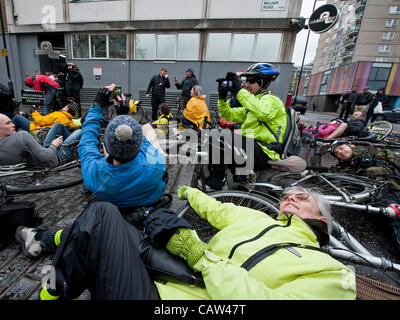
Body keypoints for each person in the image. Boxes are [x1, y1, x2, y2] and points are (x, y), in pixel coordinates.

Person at [15, 185, 356, 300]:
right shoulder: (260, 219)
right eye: (288, 195)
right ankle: (46, 247)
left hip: (174, 294)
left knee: (100, 217)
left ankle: (49, 277)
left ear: (323, 219)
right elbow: (219, 209)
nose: (291, 198)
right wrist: (189, 192)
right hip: (170, 280)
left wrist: (200, 256)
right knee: (104, 222)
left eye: (302, 197)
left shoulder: (333, 275)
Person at [77, 83, 168, 208]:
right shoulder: (157, 163)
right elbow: (144, 142)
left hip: (114, 198)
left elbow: (87, 142)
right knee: (147, 128)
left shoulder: (94, 176)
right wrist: (124, 117)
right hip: (149, 198)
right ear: (138, 145)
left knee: (107, 141)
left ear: (108, 149)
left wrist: (96, 106)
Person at [204, 63, 287, 191]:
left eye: (252, 81)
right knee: (215, 136)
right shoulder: (252, 103)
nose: (247, 85)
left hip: (266, 151)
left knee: (218, 136)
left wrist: (239, 91)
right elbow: (228, 115)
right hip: (253, 148)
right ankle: (241, 179)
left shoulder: (272, 101)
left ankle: (217, 183)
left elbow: (263, 112)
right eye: (246, 81)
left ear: (263, 82)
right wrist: (222, 97)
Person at [329, 140, 400, 252]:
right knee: (395, 219)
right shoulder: (343, 170)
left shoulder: (376, 154)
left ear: (350, 146)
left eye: (341, 148)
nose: (341, 152)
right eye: (337, 152)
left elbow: (394, 160)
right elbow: (324, 175)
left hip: (396, 185)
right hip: (383, 195)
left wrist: (384, 164)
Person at [0, 113, 81, 168]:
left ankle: (73, 144)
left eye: (11, 122)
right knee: (79, 132)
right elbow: (47, 157)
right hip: (55, 158)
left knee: (58, 126)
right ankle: (75, 146)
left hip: (41, 151)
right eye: (8, 123)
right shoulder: (21, 136)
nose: (13, 125)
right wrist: (54, 145)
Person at [12, 103, 79, 136]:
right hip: (47, 134)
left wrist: (35, 112)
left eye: (65, 107)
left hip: (37, 131)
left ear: (67, 109)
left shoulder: (58, 114)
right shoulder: (70, 121)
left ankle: (8, 136)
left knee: (18, 118)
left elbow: (40, 121)